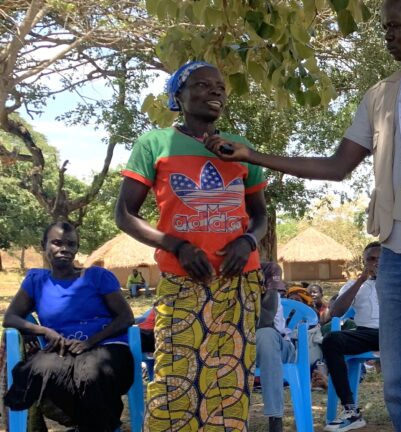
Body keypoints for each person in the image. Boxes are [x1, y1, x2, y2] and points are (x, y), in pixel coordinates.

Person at [204, 0, 401, 429]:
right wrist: (254, 156)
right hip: (393, 251)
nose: (386, 34)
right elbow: (336, 166)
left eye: (394, 26)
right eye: (384, 27)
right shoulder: (380, 96)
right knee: (399, 377)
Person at [115, 60, 268, 431]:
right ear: (178, 96)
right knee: (174, 378)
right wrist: (178, 246)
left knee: (230, 381)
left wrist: (247, 241)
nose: (215, 91)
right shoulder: (155, 144)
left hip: (238, 282)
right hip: (184, 279)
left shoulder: (241, 149)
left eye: (220, 87)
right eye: (202, 84)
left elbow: (260, 217)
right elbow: (125, 214)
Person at [3, 221, 135, 432]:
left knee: (92, 373)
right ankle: (96, 424)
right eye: (56, 242)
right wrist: (44, 331)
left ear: (76, 248)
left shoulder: (97, 277)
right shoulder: (36, 281)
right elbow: (10, 317)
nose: (64, 248)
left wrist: (90, 342)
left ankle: (95, 426)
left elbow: (125, 317)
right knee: (42, 370)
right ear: (43, 245)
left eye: (71, 244)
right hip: (63, 349)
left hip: (105, 344)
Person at [322, 242, 381, 432]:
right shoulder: (355, 284)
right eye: (371, 259)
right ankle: (351, 410)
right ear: (364, 263)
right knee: (332, 340)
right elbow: (336, 312)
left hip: (396, 332)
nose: (375, 263)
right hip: (366, 333)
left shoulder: (400, 282)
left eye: (381, 259)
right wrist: (361, 279)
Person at [254, 285, 295, 432]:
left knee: (266, 334)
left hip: (280, 348)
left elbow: (265, 322)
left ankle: (275, 418)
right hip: (246, 350)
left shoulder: (269, 289)